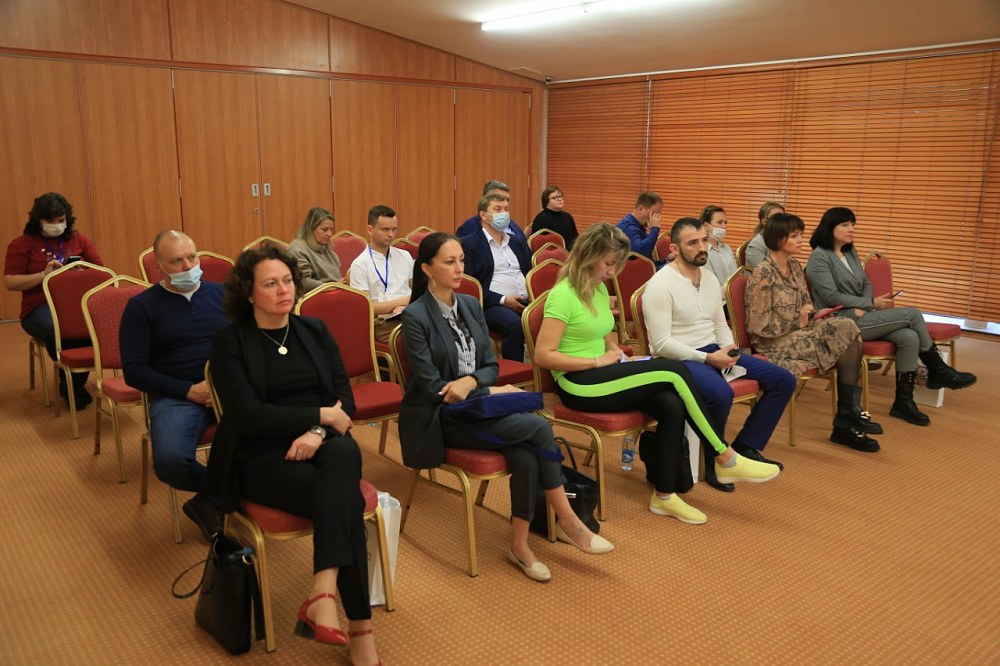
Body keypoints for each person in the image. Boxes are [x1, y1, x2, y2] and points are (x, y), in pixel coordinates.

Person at [399, 232, 613, 582]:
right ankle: (569, 520)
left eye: (461, 260)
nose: (460, 268)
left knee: (526, 457)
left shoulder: (470, 305)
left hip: (476, 407)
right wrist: (486, 389)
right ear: (427, 269)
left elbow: (490, 366)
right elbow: (434, 387)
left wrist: (475, 382)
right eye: (449, 262)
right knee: (538, 427)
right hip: (440, 419)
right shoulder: (415, 316)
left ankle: (520, 546)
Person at [534, 223, 780, 526]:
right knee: (673, 370)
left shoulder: (597, 287)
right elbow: (543, 355)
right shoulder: (562, 295)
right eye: (609, 263)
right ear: (588, 256)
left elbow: (605, 336)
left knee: (670, 404)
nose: (612, 272)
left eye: (616, 264)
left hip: (604, 372)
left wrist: (620, 354)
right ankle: (724, 455)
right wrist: (597, 361)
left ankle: (664, 496)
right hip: (577, 384)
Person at [206, 246, 380, 665]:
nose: (284, 290)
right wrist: (320, 416)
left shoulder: (314, 330)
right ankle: (360, 631)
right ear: (249, 293)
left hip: (321, 445)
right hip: (260, 456)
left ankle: (323, 593)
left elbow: (344, 399)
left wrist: (318, 432)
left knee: (342, 457)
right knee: (345, 500)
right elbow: (249, 415)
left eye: (287, 281)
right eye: (271, 283)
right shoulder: (230, 342)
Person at [643, 218, 796, 492]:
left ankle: (746, 445)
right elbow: (661, 344)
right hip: (678, 359)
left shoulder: (710, 278)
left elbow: (718, 325)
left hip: (713, 351)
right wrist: (708, 359)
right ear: (675, 249)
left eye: (704, 240)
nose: (702, 247)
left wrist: (729, 350)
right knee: (720, 394)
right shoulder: (660, 285)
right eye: (693, 243)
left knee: (783, 380)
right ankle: (715, 462)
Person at [806, 206, 976, 426]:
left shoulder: (850, 252)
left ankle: (903, 402)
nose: (852, 229)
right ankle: (937, 369)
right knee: (913, 313)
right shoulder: (819, 257)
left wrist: (866, 305)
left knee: (909, 337)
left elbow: (866, 283)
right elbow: (831, 296)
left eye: (853, 225)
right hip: (839, 322)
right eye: (845, 225)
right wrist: (869, 303)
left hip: (860, 314)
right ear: (829, 228)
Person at [120, 230, 228, 540]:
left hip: (227, 390)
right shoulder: (141, 307)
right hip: (176, 394)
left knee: (276, 434)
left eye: (192, 258)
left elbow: (250, 348)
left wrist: (225, 386)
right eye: (177, 261)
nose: (188, 266)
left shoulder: (225, 295)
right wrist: (189, 390)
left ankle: (212, 500)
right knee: (170, 462)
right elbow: (134, 372)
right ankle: (224, 493)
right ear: (158, 265)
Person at [746, 213, 881, 453]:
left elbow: (805, 304)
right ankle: (846, 420)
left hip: (800, 330)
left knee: (847, 326)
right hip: (773, 341)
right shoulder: (763, 274)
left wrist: (813, 313)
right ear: (778, 239)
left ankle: (847, 414)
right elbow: (758, 327)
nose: (801, 240)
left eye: (800, 235)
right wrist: (797, 322)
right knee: (846, 337)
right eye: (794, 236)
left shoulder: (795, 267)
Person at [4, 192, 103, 410]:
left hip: (75, 305)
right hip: (38, 307)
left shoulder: (78, 240)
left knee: (88, 325)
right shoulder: (22, 244)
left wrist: (80, 272)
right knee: (57, 328)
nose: (57, 225)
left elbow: (102, 272)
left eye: (61, 220)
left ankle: (73, 382)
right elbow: (10, 282)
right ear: (38, 220)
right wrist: (43, 275)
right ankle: (71, 383)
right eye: (51, 221)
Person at [460, 193, 532, 362]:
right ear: (483, 215)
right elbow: (470, 286)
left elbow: (529, 273)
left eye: (506, 209)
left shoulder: (516, 242)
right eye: (497, 209)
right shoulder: (470, 244)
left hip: (526, 302)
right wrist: (504, 300)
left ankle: (546, 369)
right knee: (514, 324)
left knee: (554, 317)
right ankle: (515, 369)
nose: (503, 214)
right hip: (491, 304)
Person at [349, 205, 414, 343]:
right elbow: (366, 308)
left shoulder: (405, 256)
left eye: (394, 229)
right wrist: (405, 301)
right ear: (370, 229)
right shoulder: (360, 264)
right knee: (419, 336)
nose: (391, 234)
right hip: (383, 323)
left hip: (410, 314)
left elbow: (420, 292)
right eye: (385, 229)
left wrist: (406, 306)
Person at [456, 180, 528, 243]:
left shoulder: (514, 226)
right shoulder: (468, 229)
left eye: (507, 200)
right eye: (499, 198)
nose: (504, 202)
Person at [287, 207, 341, 291]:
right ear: (311, 228)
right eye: (325, 229)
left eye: (331, 229)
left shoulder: (329, 251)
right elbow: (303, 282)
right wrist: (332, 286)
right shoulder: (297, 249)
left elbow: (337, 278)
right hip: (313, 296)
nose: (329, 234)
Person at [700, 205, 739, 316]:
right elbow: (711, 289)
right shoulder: (702, 252)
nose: (724, 227)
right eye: (719, 222)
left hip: (733, 298)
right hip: (719, 304)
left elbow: (736, 276)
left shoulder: (726, 248)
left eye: (725, 223)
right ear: (706, 226)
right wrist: (736, 292)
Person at [615, 192, 663, 262]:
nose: (655, 218)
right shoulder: (627, 227)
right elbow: (641, 253)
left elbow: (647, 259)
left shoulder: (639, 226)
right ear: (641, 209)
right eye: (653, 214)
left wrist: (666, 261)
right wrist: (655, 229)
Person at [744, 201, 784, 268]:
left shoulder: (781, 240)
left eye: (782, 218)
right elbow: (765, 271)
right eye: (776, 218)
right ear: (764, 221)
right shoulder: (755, 246)